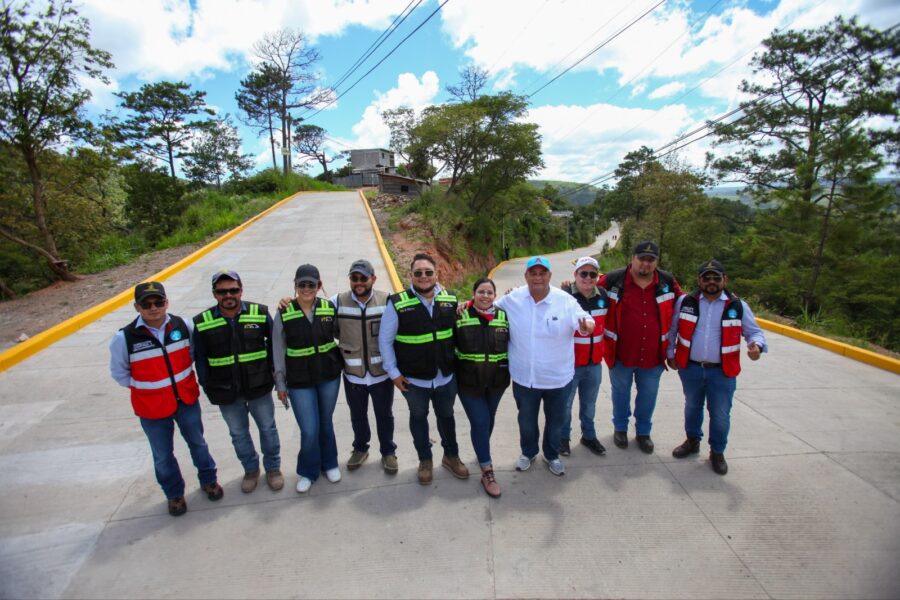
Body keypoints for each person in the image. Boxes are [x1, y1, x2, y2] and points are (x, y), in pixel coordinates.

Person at [109, 282, 223, 517]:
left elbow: (192, 355)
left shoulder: (183, 326)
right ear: (137, 307)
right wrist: (150, 388)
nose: (154, 308)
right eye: (147, 304)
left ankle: (209, 480)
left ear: (166, 302)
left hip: (186, 400)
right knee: (162, 455)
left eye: (158, 302)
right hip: (151, 407)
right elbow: (120, 373)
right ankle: (174, 494)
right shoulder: (124, 338)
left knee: (198, 443)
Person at [666, 260, 767, 475]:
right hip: (691, 369)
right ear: (699, 280)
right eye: (706, 278)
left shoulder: (737, 306)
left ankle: (717, 452)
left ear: (725, 280)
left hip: (722, 372)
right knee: (692, 407)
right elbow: (673, 329)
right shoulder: (686, 302)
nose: (711, 282)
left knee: (720, 414)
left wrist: (756, 346)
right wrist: (670, 353)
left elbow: (754, 332)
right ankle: (692, 441)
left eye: (716, 278)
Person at [495, 256, 593, 476]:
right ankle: (528, 452)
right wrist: (465, 305)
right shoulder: (513, 298)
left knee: (556, 422)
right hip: (525, 379)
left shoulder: (564, 300)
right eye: (533, 273)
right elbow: (488, 307)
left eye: (542, 273)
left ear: (549, 276)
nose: (537, 278)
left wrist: (587, 326)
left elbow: (585, 320)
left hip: (558, 379)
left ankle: (552, 455)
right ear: (526, 276)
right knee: (526, 421)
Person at [378, 253, 469, 485]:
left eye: (428, 272)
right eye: (418, 273)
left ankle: (451, 456)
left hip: (445, 377)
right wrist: (394, 373)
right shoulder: (397, 303)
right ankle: (425, 460)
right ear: (410, 275)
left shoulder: (450, 299)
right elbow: (385, 341)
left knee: (447, 417)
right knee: (418, 418)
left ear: (437, 274)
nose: (423, 276)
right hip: (413, 380)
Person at [192, 269, 284, 494]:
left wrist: (275, 375)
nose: (228, 295)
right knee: (238, 434)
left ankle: (273, 469)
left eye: (233, 290)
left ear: (241, 291)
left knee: (268, 429)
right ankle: (251, 470)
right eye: (222, 292)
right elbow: (200, 358)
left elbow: (275, 345)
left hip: (258, 386)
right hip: (225, 390)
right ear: (214, 294)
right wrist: (207, 385)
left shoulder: (259, 313)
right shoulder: (202, 322)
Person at [599, 241, 682, 454]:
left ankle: (643, 432)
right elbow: (586, 291)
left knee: (648, 396)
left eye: (650, 260)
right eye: (642, 259)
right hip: (621, 353)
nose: (646, 264)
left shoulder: (667, 282)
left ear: (656, 262)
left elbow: (687, 304)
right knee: (620, 394)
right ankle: (620, 429)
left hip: (653, 355)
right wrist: (567, 288)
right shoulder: (613, 280)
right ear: (632, 258)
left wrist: (724, 296)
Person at [273, 264, 343, 493]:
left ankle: (329, 463)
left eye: (311, 284)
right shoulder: (284, 312)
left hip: (328, 376)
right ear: (295, 286)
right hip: (299, 380)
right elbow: (277, 350)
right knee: (309, 429)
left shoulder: (328, 307)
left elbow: (342, 333)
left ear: (319, 285)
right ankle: (308, 471)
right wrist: (280, 383)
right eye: (301, 284)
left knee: (325, 422)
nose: (306, 289)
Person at [331, 259, 398, 474]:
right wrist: (288, 301)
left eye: (363, 278)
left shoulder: (387, 300)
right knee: (358, 415)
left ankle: (388, 451)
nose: (358, 282)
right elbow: (312, 307)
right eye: (354, 278)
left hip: (381, 374)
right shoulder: (337, 302)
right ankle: (360, 448)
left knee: (384, 415)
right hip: (353, 375)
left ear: (373, 279)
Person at [455, 277, 511, 497]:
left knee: (488, 420)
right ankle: (487, 471)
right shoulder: (460, 315)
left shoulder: (504, 316)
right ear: (473, 293)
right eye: (481, 291)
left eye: (489, 292)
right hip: (469, 382)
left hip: (497, 382)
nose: (485, 296)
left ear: (495, 296)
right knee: (480, 421)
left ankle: (481, 451)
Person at [561, 256, 609, 457]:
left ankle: (589, 436)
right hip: (570, 365)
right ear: (575, 275)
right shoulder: (564, 296)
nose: (588, 278)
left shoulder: (603, 295)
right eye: (583, 273)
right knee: (565, 406)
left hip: (594, 364)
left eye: (592, 274)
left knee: (589, 405)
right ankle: (563, 438)